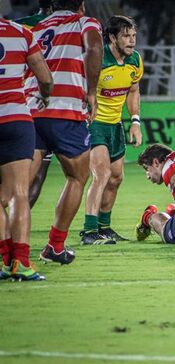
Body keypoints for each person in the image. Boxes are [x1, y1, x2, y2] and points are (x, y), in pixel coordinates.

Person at [28, 0, 103, 264]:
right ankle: (54, 246)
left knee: (15, 188)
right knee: (77, 177)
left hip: (30, 111)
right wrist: (92, 92)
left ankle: (9, 248)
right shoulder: (85, 22)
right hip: (66, 111)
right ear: (80, 5)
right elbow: (93, 47)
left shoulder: (36, 28)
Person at [81, 15, 143, 245]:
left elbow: (134, 91)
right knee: (102, 175)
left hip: (115, 125)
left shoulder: (135, 60)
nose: (132, 41)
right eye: (126, 36)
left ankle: (104, 228)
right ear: (112, 37)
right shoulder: (97, 60)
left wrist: (135, 121)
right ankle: (89, 232)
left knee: (116, 177)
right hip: (94, 124)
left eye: (134, 35)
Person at [0, 16, 53, 280]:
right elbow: (45, 78)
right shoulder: (21, 32)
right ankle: (20, 261)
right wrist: (44, 95)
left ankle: (4, 260)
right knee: (18, 193)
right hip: (15, 118)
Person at [14, 0, 54, 208]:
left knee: (15, 175)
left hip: (18, 103)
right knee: (38, 175)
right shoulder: (68, 25)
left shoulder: (19, 26)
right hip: (48, 105)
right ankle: (19, 224)